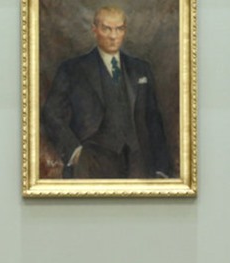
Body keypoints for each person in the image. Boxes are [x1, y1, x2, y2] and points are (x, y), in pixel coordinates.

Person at [41, 6, 172, 179]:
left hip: (138, 164)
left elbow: (153, 120)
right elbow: (51, 114)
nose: (113, 36)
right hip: (90, 163)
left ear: (125, 30)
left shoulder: (141, 69)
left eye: (119, 29)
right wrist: (74, 151)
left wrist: (162, 169)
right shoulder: (72, 70)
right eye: (106, 28)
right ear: (94, 29)